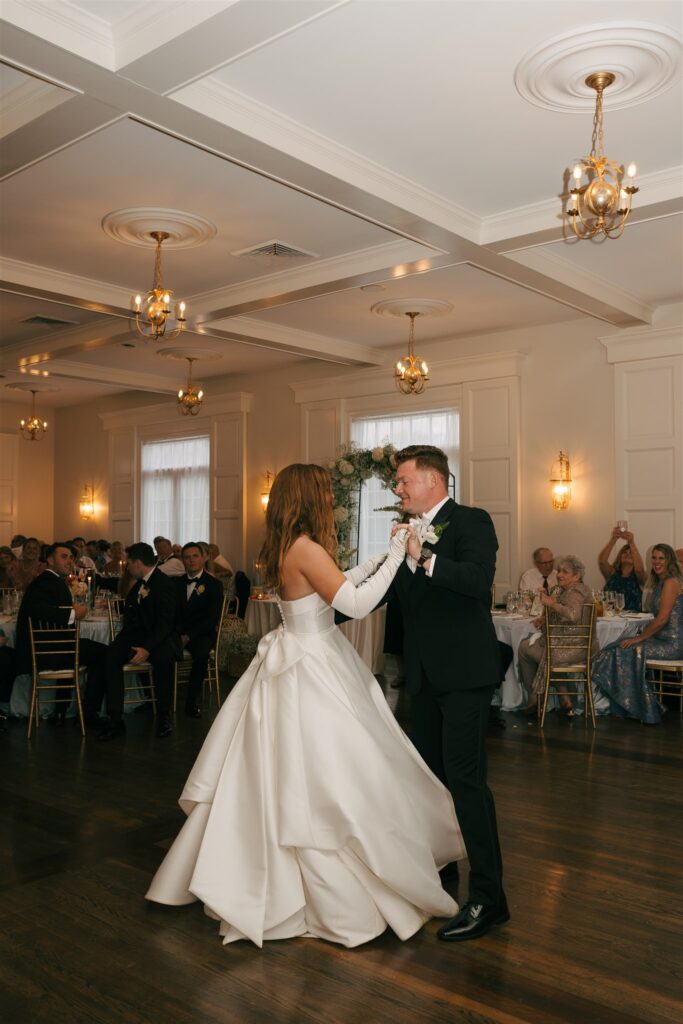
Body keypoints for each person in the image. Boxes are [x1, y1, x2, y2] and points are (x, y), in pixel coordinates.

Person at [146, 464, 465, 947]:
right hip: (312, 662)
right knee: (333, 771)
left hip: (299, 651)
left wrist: (380, 558)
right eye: (325, 494)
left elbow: (334, 584)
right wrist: (400, 554)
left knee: (291, 769)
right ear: (312, 498)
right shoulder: (306, 547)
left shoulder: (282, 545)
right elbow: (354, 605)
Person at [384, 445, 507, 942]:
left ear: (434, 481)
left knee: (466, 782)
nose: (397, 489)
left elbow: (478, 583)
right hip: (425, 678)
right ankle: (441, 874)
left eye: (403, 481)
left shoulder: (471, 521)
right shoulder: (404, 533)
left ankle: (489, 898)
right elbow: (386, 595)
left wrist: (424, 555)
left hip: (465, 676)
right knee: (430, 782)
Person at [96, 542, 182, 741]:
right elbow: (131, 619)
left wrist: (146, 648)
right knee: (111, 655)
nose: (126, 567)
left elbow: (165, 624)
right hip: (136, 637)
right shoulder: (139, 585)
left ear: (137, 563)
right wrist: (120, 643)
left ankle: (163, 717)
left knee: (163, 660)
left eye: (128, 563)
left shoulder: (164, 584)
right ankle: (115, 718)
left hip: (160, 638)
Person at [14, 543, 107, 723]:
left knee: (86, 648)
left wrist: (70, 610)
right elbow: (36, 609)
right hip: (47, 652)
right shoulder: (44, 582)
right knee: (105, 654)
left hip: (57, 647)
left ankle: (61, 710)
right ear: (49, 560)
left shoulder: (53, 581)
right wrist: (73, 613)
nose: (69, 561)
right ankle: (88, 713)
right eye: (64, 557)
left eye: (71, 557)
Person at [592, 544, 683, 724]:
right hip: (659, 639)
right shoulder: (662, 581)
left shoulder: (671, 582)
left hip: (672, 644)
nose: (656, 562)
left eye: (661, 558)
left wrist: (639, 637)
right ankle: (630, 705)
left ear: (669, 561)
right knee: (614, 647)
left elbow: (662, 619)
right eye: (654, 558)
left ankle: (640, 707)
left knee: (622, 650)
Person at [518, 555, 597, 716]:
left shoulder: (576, 591)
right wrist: (545, 618)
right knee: (542, 651)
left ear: (576, 576)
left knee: (525, 649)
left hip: (571, 648)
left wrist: (551, 603)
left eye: (565, 572)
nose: (559, 574)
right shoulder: (571, 590)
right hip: (571, 645)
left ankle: (535, 699)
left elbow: (573, 614)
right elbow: (568, 616)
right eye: (559, 570)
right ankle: (564, 697)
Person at [175, 542, 224, 718]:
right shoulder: (176, 583)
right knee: (159, 650)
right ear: (182, 560)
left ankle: (192, 700)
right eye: (187, 557)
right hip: (179, 633)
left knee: (202, 654)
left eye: (195, 556)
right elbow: (172, 614)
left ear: (203, 558)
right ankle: (159, 701)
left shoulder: (214, 585)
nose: (191, 560)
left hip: (201, 633)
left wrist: (188, 636)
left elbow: (211, 619)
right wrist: (177, 634)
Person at [597, 527, 646, 611]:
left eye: (631, 553)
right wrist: (613, 539)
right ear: (620, 556)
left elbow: (639, 569)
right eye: (625, 552)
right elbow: (602, 561)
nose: (627, 554)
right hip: (610, 618)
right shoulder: (612, 573)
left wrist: (631, 543)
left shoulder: (640, 576)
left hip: (632, 620)